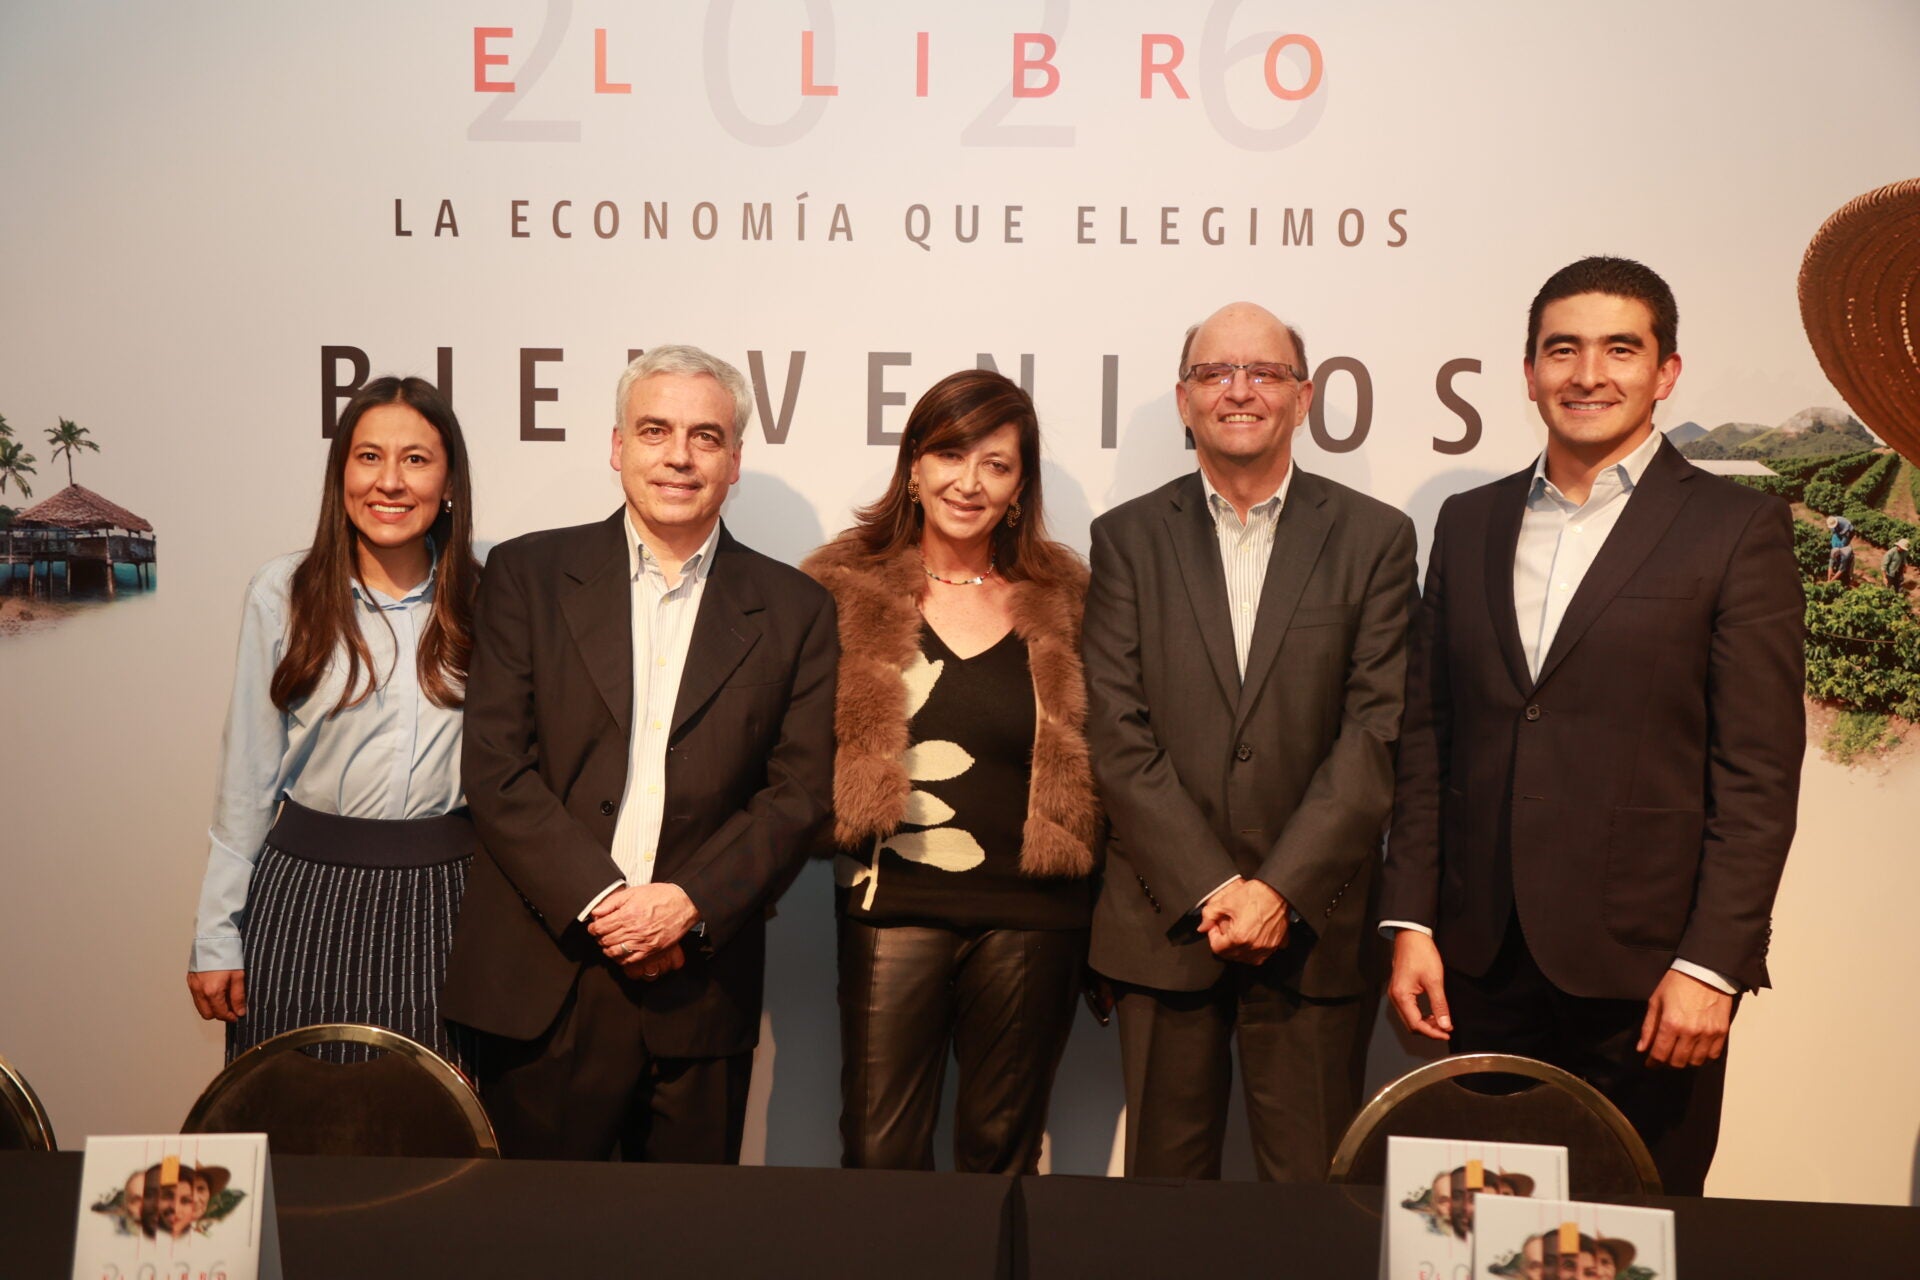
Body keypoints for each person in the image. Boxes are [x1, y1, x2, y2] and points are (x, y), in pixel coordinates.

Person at [1382, 257, 1805, 1195]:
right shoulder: (1469, 523)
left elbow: (1758, 775)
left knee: (1635, 1236)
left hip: (1652, 979)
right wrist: (1411, 920)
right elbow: (1429, 741)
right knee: (1474, 1238)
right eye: (1561, 349)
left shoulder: (1738, 529)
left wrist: (1713, 965)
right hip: (1480, 965)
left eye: (1621, 348)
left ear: (1667, 372)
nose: (1587, 373)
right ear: (1528, 371)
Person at [441, 345, 837, 1163]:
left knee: (686, 1247)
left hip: (698, 982)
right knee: (536, 1242)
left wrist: (685, 905)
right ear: (618, 446)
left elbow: (796, 795)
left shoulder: (797, 609)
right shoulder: (526, 574)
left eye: (706, 435)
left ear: (734, 461)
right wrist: (603, 903)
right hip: (546, 975)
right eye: (655, 430)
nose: (679, 455)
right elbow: (495, 766)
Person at [1083, 302, 1418, 1181]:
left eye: (1265, 373)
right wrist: (1213, 885)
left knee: (1311, 1206)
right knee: (1164, 1211)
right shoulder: (1124, 540)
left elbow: (1375, 730)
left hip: (1314, 923)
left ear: (1304, 398)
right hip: (1167, 924)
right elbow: (1117, 733)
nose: (1240, 391)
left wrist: (1279, 889)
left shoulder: (1377, 539)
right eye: (1214, 374)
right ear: (1185, 400)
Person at [801, 369, 1100, 1174]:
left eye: (996, 465)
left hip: (1036, 913)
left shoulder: (1067, 594)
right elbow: (792, 747)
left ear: (1019, 486)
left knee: (1000, 1156)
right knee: (878, 1155)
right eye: (949, 455)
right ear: (913, 465)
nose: (969, 483)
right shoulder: (839, 586)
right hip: (890, 899)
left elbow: (1111, 752)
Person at [187, 377, 482, 1071]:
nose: (389, 482)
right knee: (299, 1131)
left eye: (416, 459)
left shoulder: (490, 595)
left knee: (439, 1141)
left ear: (449, 483)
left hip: (447, 905)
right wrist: (216, 934)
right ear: (341, 473)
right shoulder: (282, 593)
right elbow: (247, 783)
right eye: (368, 456)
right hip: (304, 902)